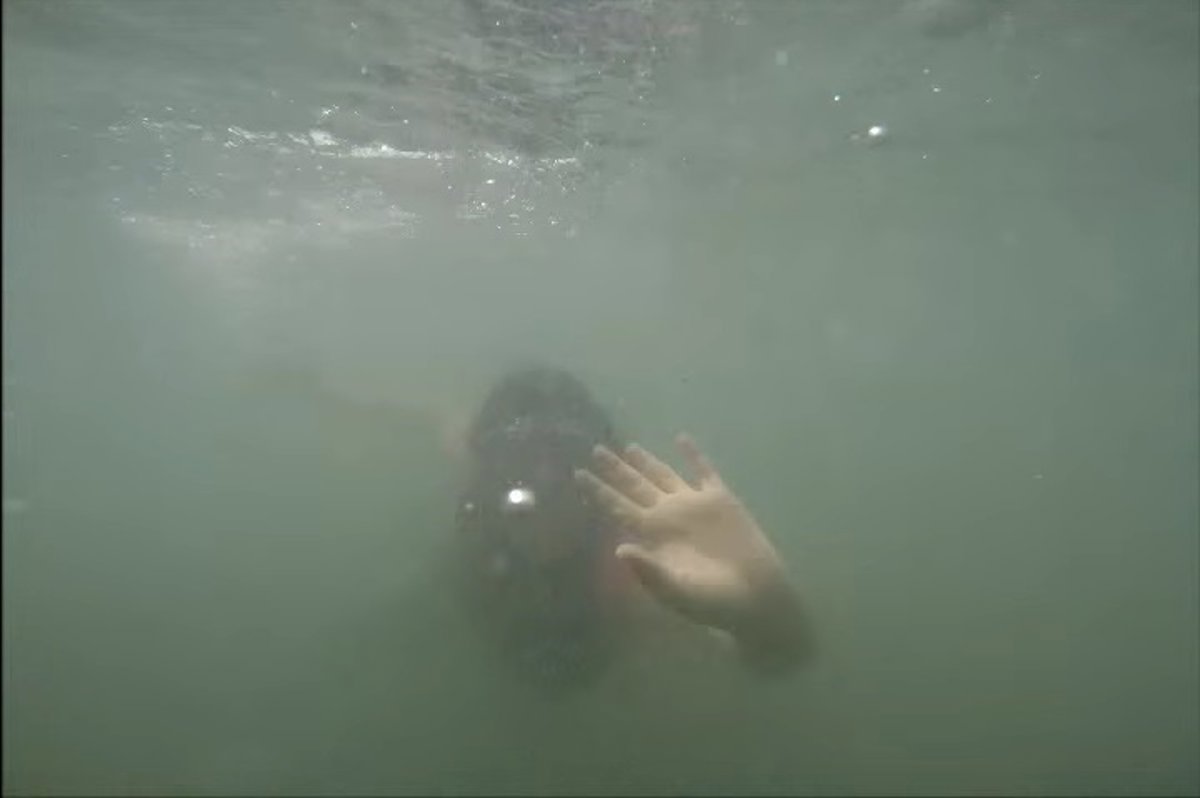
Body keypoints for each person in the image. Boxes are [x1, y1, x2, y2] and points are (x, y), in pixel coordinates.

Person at [453, 366, 813, 694]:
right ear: (482, 473)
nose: (545, 480)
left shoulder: (639, 569)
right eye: (517, 455)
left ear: (608, 469)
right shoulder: (468, 541)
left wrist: (763, 605)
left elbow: (782, 659)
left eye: (568, 455)